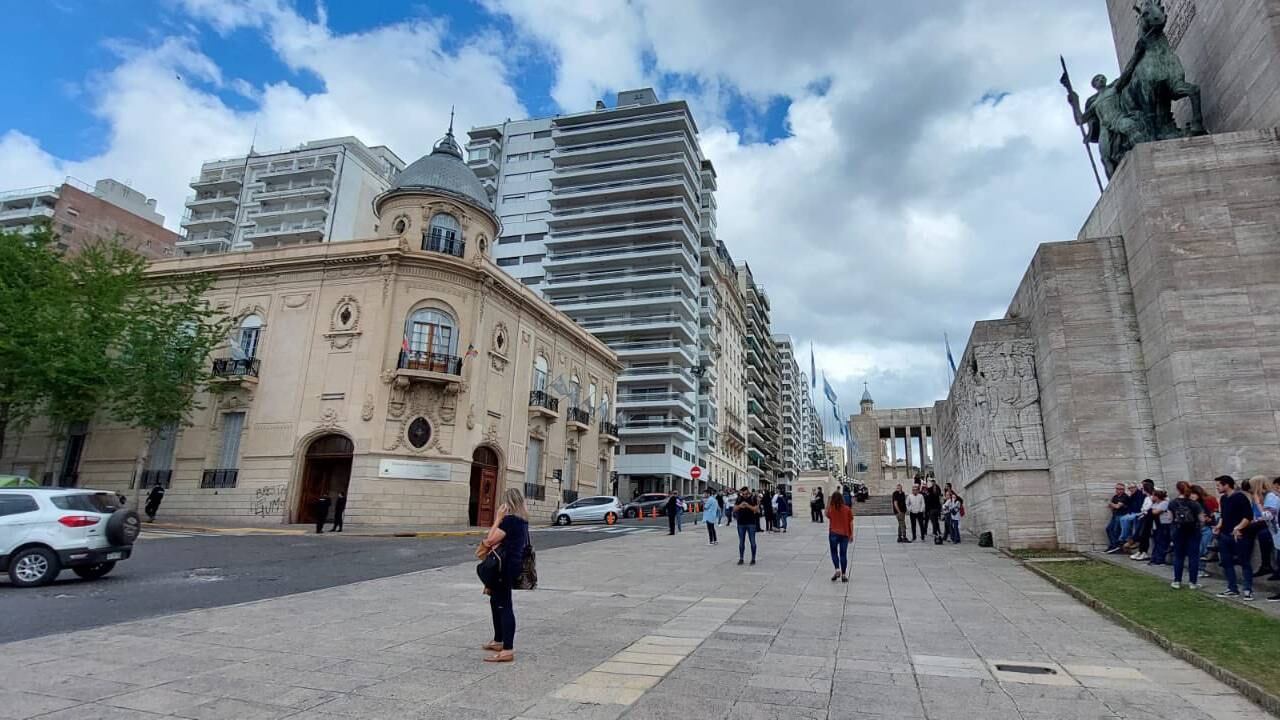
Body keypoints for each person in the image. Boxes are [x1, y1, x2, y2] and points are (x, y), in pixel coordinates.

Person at [477, 487, 529, 663]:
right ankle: (498, 640)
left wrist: (497, 519)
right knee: (495, 601)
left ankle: (507, 649)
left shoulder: (509, 521)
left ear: (507, 504)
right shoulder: (522, 521)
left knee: (504, 605)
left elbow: (489, 540)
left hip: (503, 568)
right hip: (511, 566)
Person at [1214, 475, 1254, 601]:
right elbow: (1223, 515)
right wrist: (1219, 526)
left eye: (1219, 485)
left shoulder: (1240, 497)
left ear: (1226, 485)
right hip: (1225, 534)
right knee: (1227, 562)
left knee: (1244, 562)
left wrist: (1238, 528)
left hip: (1240, 535)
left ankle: (1247, 589)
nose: (1217, 488)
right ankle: (1232, 588)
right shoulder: (1223, 499)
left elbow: (1248, 516)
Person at [1168, 481, 1204, 589]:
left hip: (1178, 531)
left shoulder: (1173, 503)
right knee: (1193, 557)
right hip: (1193, 531)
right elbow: (1201, 519)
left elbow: (1170, 518)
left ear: (1178, 489)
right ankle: (1193, 582)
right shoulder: (1194, 503)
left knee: (1178, 556)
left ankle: (1177, 581)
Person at [1246, 477, 1275, 578]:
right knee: (1250, 528)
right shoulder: (1259, 496)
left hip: (1272, 524)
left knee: (1261, 533)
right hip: (1265, 523)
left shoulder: (1270, 496)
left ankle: (1266, 565)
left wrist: (1258, 502)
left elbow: (1267, 516)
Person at [827, 490, 854, 582]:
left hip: (833, 533)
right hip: (844, 534)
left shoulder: (831, 508)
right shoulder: (847, 509)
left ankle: (837, 569)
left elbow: (826, 514)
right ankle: (843, 574)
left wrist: (828, 502)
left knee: (834, 552)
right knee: (843, 554)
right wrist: (851, 534)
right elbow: (851, 523)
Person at [733, 487, 759, 565]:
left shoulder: (753, 498)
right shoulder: (739, 499)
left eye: (746, 494)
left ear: (749, 493)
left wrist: (748, 506)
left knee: (753, 542)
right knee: (741, 542)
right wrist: (740, 506)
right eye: (743, 494)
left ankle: (753, 558)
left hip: (751, 523)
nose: (744, 495)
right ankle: (741, 558)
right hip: (741, 523)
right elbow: (734, 509)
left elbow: (756, 510)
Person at [1147, 489, 1171, 566]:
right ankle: (1154, 558)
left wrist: (1151, 510)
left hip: (1163, 525)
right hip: (1156, 525)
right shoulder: (1155, 504)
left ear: (1157, 496)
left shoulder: (1164, 503)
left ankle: (1160, 560)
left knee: (1162, 542)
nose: (1152, 497)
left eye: (1153, 495)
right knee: (1156, 541)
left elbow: (1155, 512)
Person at [1104, 483, 1128, 553]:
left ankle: (1117, 546)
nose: (1118, 490)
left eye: (1120, 489)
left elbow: (1117, 506)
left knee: (1116, 530)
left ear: (1123, 490)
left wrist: (1111, 504)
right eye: (1117, 489)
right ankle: (1113, 545)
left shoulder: (1125, 497)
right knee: (1108, 529)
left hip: (1122, 515)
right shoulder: (1115, 497)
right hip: (1115, 515)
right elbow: (1112, 507)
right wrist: (1112, 505)